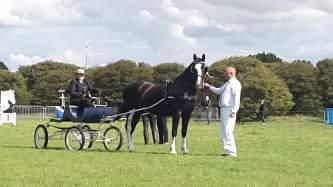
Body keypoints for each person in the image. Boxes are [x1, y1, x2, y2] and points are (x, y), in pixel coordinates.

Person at [204, 66, 242, 158]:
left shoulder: (235, 84)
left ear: (231, 73)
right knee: (223, 131)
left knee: (228, 130)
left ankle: (232, 152)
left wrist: (234, 111)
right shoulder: (227, 84)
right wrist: (209, 86)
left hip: (230, 109)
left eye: (226, 73)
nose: (225, 74)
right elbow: (219, 91)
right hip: (224, 109)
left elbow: (237, 99)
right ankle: (227, 151)